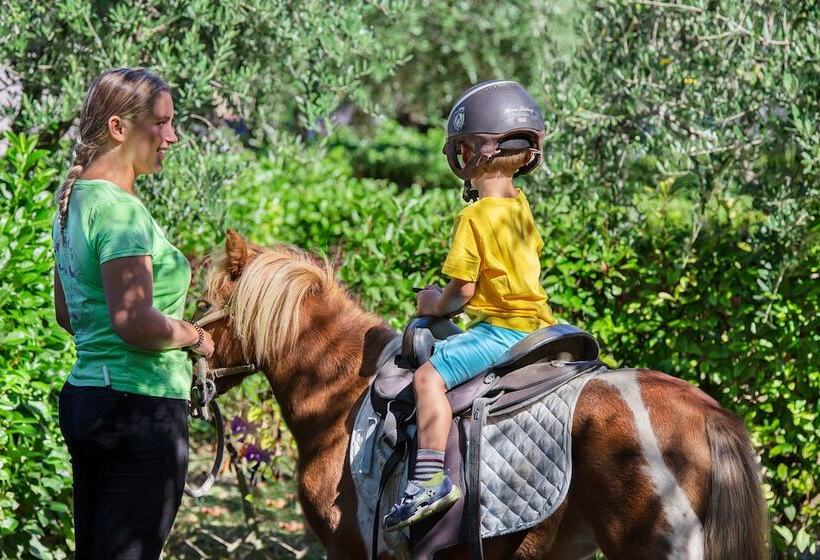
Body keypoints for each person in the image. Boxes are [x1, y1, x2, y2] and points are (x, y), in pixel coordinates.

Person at [52, 67, 214, 559]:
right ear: (120, 128)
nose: (173, 136)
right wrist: (194, 338)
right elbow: (135, 321)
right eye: (161, 123)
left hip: (88, 398)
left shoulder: (73, 200)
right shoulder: (121, 211)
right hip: (137, 409)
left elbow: (67, 314)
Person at [383, 80, 557, 531]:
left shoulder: (474, 216)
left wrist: (433, 304)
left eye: (461, 149)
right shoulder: (520, 205)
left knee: (427, 378)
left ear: (474, 153)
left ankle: (428, 481)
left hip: (502, 332)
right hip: (541, 326)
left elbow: (461, 292)